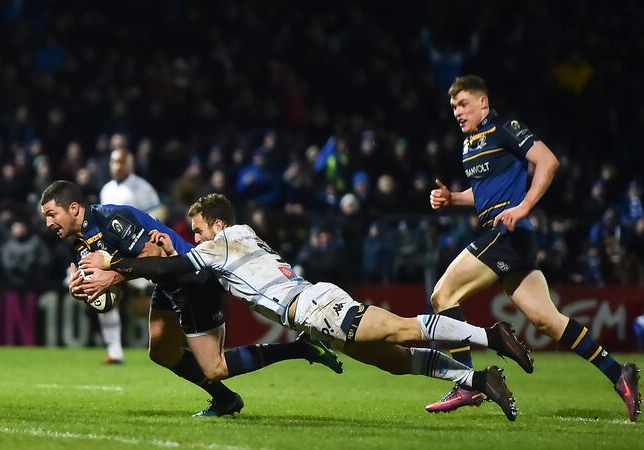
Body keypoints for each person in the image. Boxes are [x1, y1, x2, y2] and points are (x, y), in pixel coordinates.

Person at [82, 193, 533, 422]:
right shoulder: (228, 245)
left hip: (313, 305)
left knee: (402, 330)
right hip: (311, 315)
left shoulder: (224, 240)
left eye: (198, 229)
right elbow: (182, 270)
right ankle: (477, 379)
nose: (195, 235)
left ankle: (491, 336)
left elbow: (177, 265)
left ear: (216, 224)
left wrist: (114, 262)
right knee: (393, 360)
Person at [426, 75, 640, 421]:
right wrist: (453, 198)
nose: (457, 112)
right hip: (512, 240)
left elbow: (548, 161)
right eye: (453, 107)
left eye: (463, 104)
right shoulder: (469, 144)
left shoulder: (505, 128)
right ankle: (619, 374)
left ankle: (467, 382)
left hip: (507, 234)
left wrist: (523, 207)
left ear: (484, 103)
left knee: (442, 296)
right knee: (547, 321)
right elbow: (482, 196)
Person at [40, 181, 343, 417]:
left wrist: (113, 276)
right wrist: (85, 290)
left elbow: (156, 254)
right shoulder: (81, 245)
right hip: (165, 282)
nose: (48, 223)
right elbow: (110, 291)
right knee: (161, 351)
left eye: (52, 214)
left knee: (215, 367)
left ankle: (299, 347)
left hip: (192, 280)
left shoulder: (112, 220)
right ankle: (225, 399)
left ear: (75, 208)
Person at [96, 146, 166, 364]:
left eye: (121, 162)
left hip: (139, 252)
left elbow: (159, 212)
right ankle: (115, 351)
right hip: (113, 252)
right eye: (114, 162)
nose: (117, 167)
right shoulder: (106, 189)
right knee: (103, 295)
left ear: (130, 164)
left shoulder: (141, 187)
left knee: (151, 299)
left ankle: (170, 342)